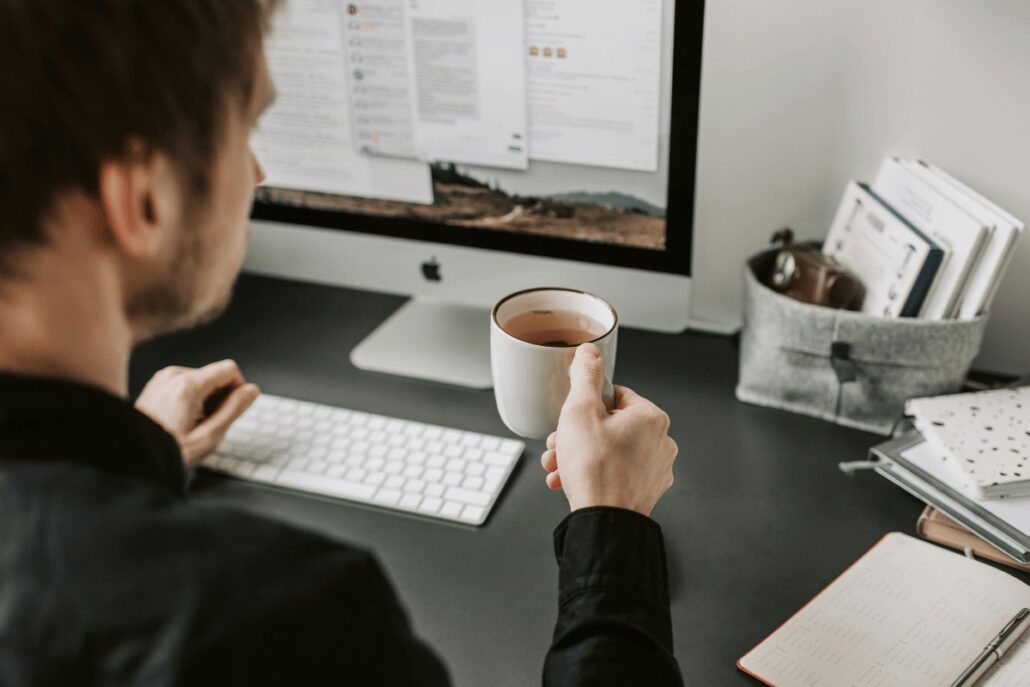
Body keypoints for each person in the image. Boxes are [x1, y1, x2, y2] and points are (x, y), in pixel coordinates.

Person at [0, 1, 681, 685]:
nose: (259, 172)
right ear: (145, 200)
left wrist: (127, 457)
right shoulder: (287, 620)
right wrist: (612, 526)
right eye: (246, 131)